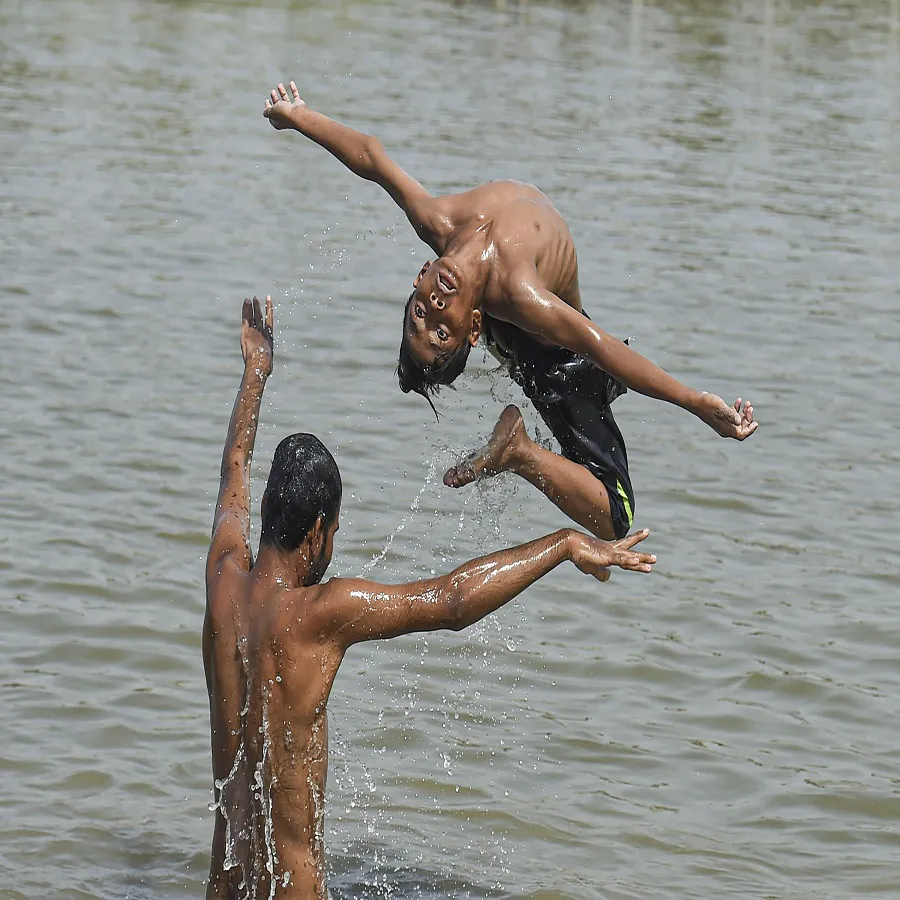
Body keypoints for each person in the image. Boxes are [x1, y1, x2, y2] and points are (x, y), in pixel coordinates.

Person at [203, 296, 656, 899]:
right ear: (316, 532)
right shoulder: (317, 615)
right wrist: (564, 545)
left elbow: (234, 470)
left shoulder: (223, 579)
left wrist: (255, 374)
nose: (333, 543)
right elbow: (450, 601)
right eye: (334, 532)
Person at [263, 82, 758, 542]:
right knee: (616, 518)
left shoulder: (439, 224)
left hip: (529, 337)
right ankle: (520, 451)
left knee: (602, 390)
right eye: (442, 331)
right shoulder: (519, 293)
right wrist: (695, 403)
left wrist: (299, 117)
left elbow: (371, 156)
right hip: (561, 369)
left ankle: (522, 434)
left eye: (421, 314)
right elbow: (597, 346)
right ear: (472, 326)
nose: (435, 309)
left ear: (420, 275)